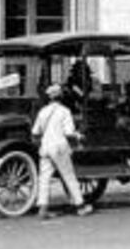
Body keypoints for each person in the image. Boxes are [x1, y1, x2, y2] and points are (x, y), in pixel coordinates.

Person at [31, 84, 94, 219]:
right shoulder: (64, 111)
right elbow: (69, 133)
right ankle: (80, 206)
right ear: (61, 97)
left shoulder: (42, 112)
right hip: (59, 147)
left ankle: (42, 208)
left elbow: (35, 132)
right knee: (69, 176)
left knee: (44, 178)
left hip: (45, 147)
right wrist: (79, 136)